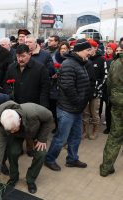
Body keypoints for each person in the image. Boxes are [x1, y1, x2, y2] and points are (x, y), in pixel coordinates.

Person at [0, 101, 54, 194]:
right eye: (10, 130)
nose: (12, 131)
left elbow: (49, 117)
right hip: (18, 136)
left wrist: (42, 138)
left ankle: (30, 180)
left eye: (14, 129)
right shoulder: (2, 123)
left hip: (35, 132)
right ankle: (13, 178)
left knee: (41, 154)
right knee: (12, 152)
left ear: (19, 119)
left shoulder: (33, 111)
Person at [45, 39, 91, 171]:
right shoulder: (69, 64)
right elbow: (67, 86)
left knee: (76, 136)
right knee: (61, 137)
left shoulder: (79, 63)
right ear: (79, 50)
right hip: (67, 109)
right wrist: (78, 101)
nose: (89, 53)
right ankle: (49, 159)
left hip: (76, 109)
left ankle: (72, 159)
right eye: (87, 50)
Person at [3, 44, 50, 157]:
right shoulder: (11, 67)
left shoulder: (40, 68)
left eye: (23, 56)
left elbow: (45, 89)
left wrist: (43, 106)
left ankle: (30, 147)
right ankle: (17, 148)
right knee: (17, 128)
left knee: (30, 128)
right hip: (16, 105)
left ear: (29, 54)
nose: (20, 59)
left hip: (33, 105)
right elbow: (6, 84)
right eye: (18, 56)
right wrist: (10, 94)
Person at [99, 44, 123, 177]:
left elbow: (109, 83)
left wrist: (112, 98)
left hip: (117, 102)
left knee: (115, 135)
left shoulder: (115, 62)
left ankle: (106, 167)